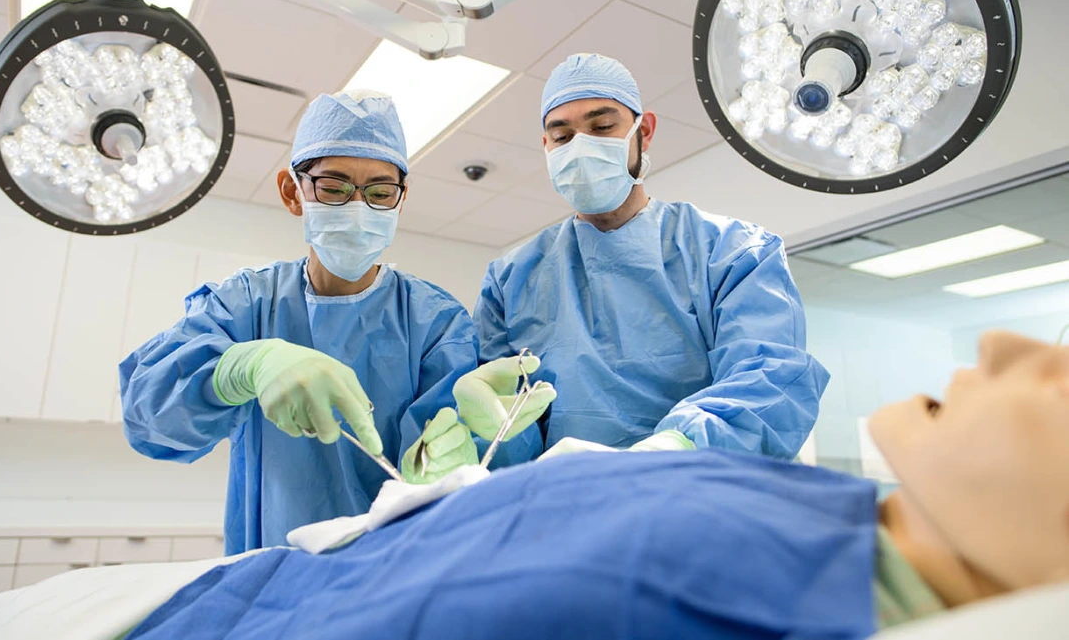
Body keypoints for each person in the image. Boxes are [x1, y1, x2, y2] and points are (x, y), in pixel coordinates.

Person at [123, 331, 1069, 640]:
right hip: (308, 557)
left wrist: (676, 444)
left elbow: (769, 373)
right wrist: (230, 369)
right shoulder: (832, 515)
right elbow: (447, 498)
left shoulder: (702, 580)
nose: (1008, 344)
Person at [119, 91, 538, 555]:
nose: (358, 208)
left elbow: (471, 484)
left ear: (400, 201)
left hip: (398, 566)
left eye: (379, 192)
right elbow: (147, 417)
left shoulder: (435, 322)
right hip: (277, 565)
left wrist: (463, 452)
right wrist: (241, 367)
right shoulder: (246, 306)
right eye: (334, 187)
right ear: (292, 192)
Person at [459, 53, 828, 459]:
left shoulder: (733, 254)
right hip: (563, 504)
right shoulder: (510, 280)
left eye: (602, 127)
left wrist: (676, 446)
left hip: (695, 494)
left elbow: (769, 381)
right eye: (563, 137)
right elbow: (500, 427)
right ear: (546, 147)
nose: (582, 147)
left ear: (644, 131)